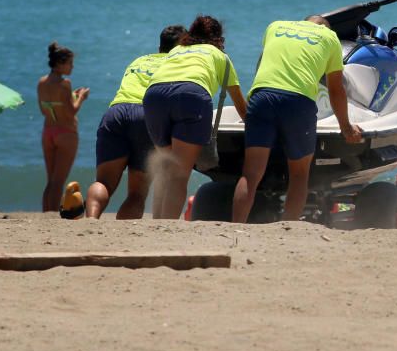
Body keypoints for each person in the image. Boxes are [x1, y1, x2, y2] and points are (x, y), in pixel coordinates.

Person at [232, 16, 362, 223]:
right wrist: (345, 127)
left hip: (261, 95)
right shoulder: (330, 38)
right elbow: (336, 89)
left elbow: (265, 62)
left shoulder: (275, 26)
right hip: (298, 101)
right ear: (325, 27)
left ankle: (235, 227)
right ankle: (288, 226)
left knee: (251, 174)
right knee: (299, 174)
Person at [143, 16, 247, 219]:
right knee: (180, 176)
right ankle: (168, 226)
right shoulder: (219, 56)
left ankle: (157, 223)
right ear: (217, 38)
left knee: (167, 170)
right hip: (191, 95)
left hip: (154, 96)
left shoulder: (176, 50)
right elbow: (240, 105)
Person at [85, 25, 187, 219]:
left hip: (116, 112)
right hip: (146, 116)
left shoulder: (139, 60)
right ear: (181, 45)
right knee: (137, 193)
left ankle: (91, 220)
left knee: (104, 183)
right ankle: (123, 234)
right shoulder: (177, 63)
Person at [37, 42, 90, 212]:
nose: (72, 67)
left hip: (48, 132)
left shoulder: (42, 82)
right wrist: (81, 97)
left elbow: (45, 109)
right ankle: (52, 214)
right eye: (70, 63)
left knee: (50, 180)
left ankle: (46, 212)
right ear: (60, 63)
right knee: (58, 181)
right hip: (66, 133)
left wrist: (72, 96)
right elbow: (71, 112)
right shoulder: (65, 84)